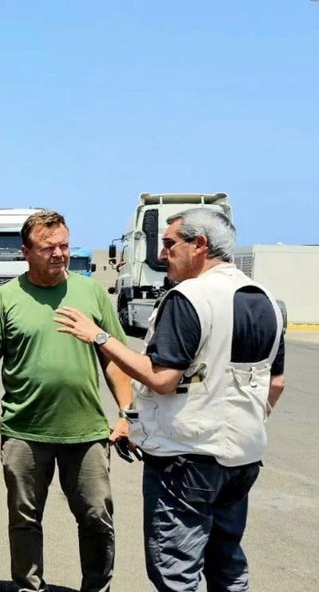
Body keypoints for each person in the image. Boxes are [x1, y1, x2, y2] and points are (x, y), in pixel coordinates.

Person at [55, 207, 286, 592]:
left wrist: (98, 336)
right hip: (244, 457)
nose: (162, 255)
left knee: (176, 570)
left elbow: (161, 378)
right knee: (227, 564)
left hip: (188, 459)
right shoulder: (267, 301)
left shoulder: (189, 298)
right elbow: (275, 384)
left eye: (168, 244)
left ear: (200, 245)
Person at [0, 210, 132, 592]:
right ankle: (29, 588)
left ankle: (97, 588)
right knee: (24, 519)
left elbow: (115, 358)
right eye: (48, 248)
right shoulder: (5, 298)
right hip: (25, 432)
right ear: (26, 251)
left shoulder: (91, 292)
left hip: (86, 432)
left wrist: (128, 414)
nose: (59, 254)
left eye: (63, 246)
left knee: (96, 517)